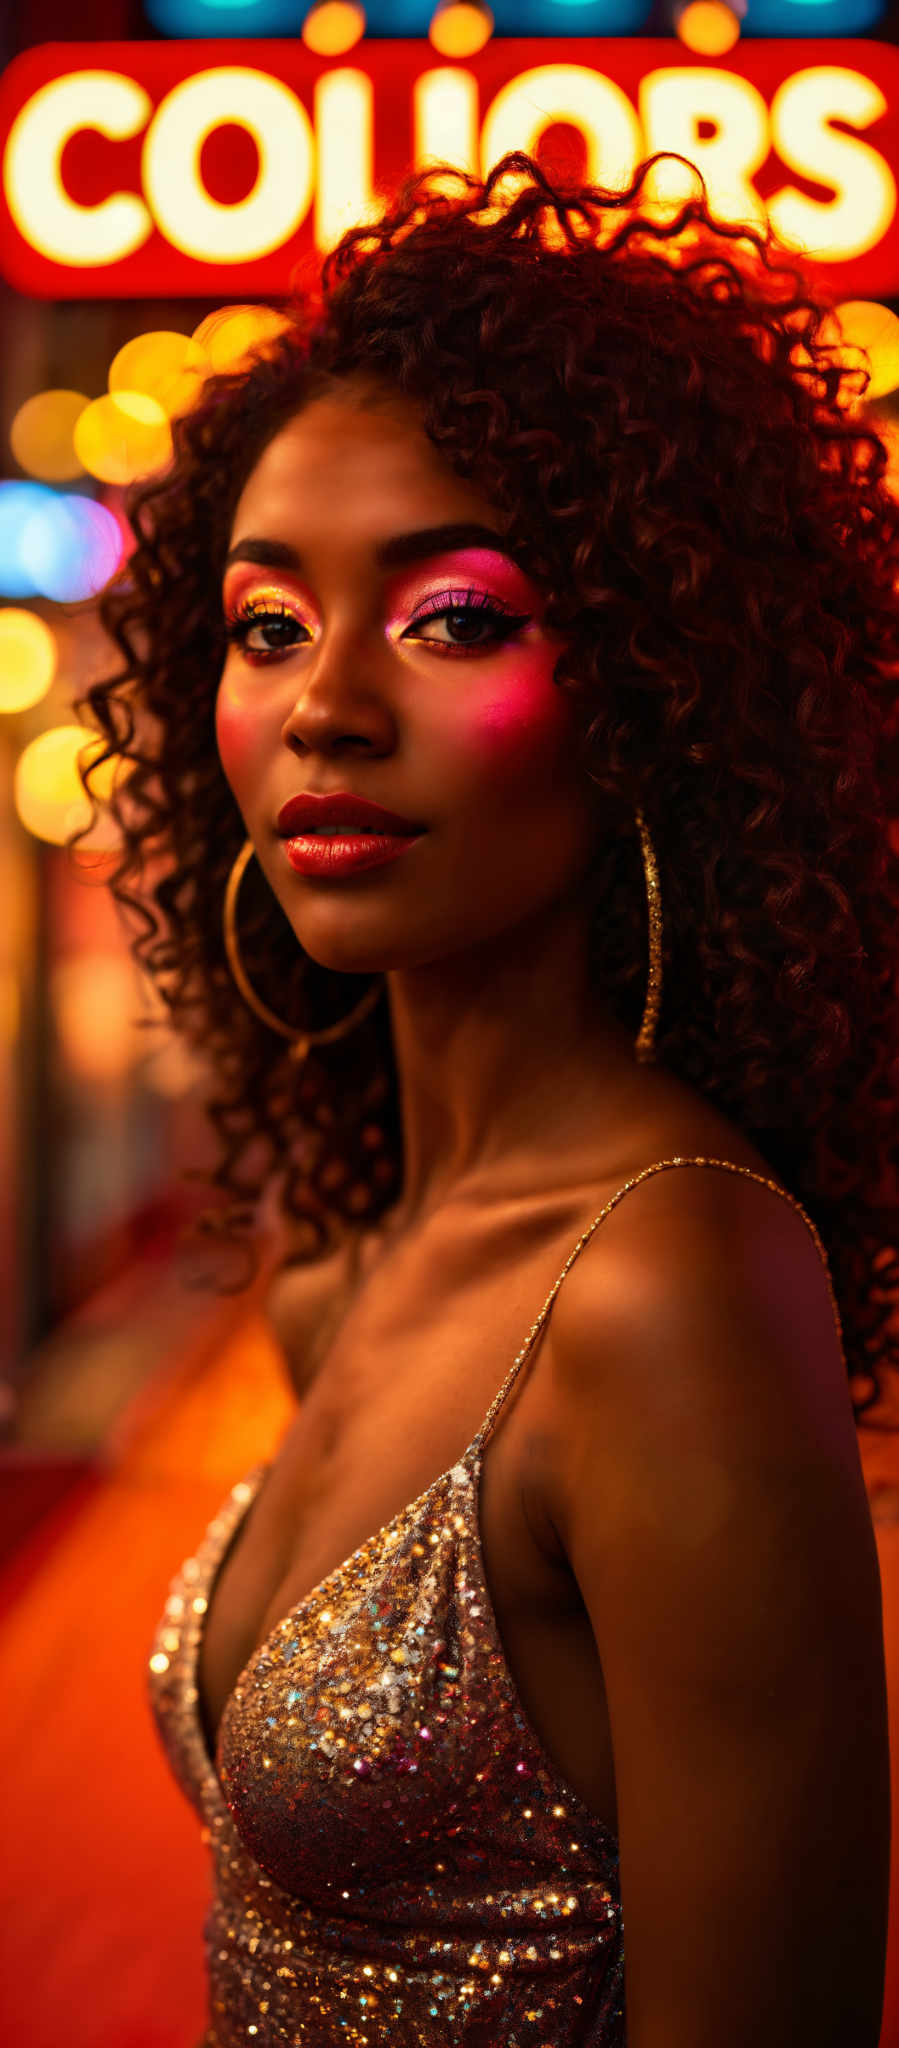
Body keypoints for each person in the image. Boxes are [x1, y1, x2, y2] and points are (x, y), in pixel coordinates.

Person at [80, 150, 896, 2047]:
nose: (326, 706)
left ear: (655, 694)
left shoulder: (668, 1286)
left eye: (451, 615)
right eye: (268, 625)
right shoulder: (349, 1262)